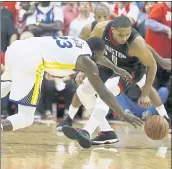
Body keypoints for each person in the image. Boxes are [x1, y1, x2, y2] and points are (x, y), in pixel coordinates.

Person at [61, 16, 171, 148]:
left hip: (131, 69)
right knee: (83, 91)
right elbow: (89, 51)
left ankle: (86, 131)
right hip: (110, 63)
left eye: (127, 34)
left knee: (107, 90)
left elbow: (152, 65)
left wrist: (145, 93)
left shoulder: (136, 43)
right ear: (112, 30)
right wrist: (84, 70)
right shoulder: (101, 28)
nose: (124, 38)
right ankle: (107, 132)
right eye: (121, 35)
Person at [1, 35, 143, 132]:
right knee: (25, 118)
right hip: (31, 58)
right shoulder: (88, 63)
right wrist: (123, 114)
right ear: (96, 53)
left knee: (6, 85)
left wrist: (116, 69)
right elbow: (104, 93)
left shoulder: (80, 43)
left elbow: (98, 57)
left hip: (16, 48)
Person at [56, 4, 110, 130]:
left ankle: (100, 124)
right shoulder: (87, 29)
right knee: (81, 89)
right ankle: (69, 118)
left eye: (105, 17)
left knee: (103, 92)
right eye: (99, 17)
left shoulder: (114, 29)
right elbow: (78, 50)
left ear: (109, 16)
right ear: (94, 17)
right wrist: (82, 70)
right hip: (89, 63)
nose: (102, 20)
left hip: (108, 65)